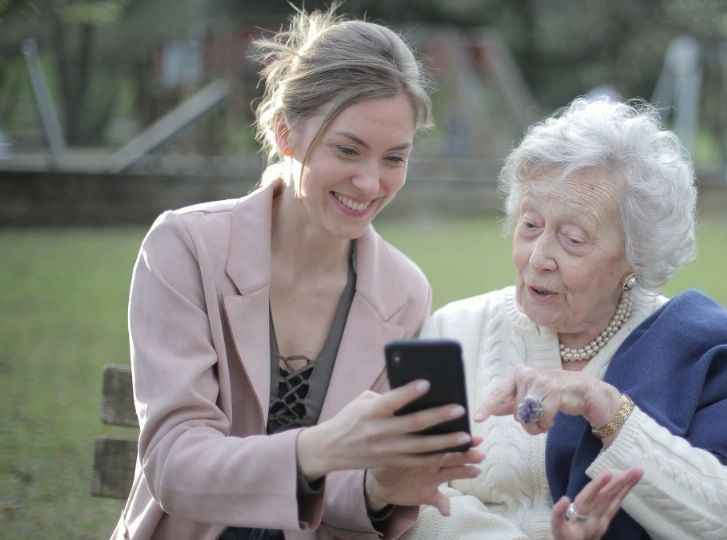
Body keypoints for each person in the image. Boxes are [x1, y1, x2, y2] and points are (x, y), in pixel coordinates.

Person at [112, 7, 484, 540]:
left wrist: (379, 489)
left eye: (394, 158)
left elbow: (346, 492)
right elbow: (174, 463)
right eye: (347, 149)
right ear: (286, 131)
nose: (369, 182)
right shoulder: (185, 246)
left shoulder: (403, 292)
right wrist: (320, 448)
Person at [402, 99, 727, 539]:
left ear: (637, 255)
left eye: (573, 238)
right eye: (530, 225)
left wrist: (605, 408)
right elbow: (412, 496)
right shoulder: (453, 331)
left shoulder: (705, 348)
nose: (539, 257)